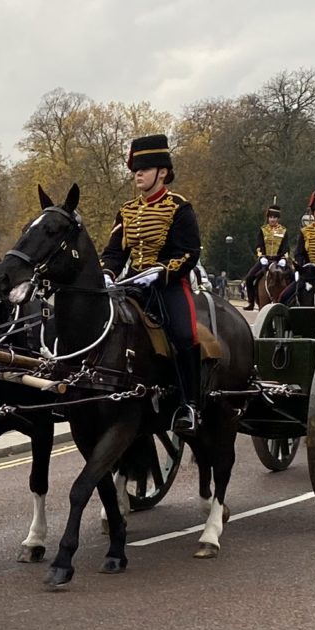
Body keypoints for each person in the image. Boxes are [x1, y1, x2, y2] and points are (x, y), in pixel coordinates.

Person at [102, 130, 205, 436]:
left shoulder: (179, 207)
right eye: (135, 170)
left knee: (185, 336)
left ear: (162, 172)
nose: (138, 175)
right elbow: (113, 252)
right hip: (133, 283)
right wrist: (108, 272)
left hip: (168, 285)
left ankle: (190, 404)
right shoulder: (127, 210)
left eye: (143, 170)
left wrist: (161, 271)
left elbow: (189, 251)